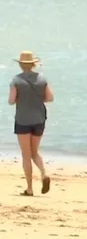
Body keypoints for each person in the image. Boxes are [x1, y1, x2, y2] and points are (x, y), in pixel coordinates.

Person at [7, 51, 53, 196]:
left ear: (20, 64)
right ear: (33, 64)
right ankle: (44, 174)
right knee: (35, 152)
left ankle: (30, 189)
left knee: (26, 155)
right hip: (39, 119)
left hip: (22, 120)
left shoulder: (16, 80)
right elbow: (50, 98)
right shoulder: (42, 79)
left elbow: (11, 100)